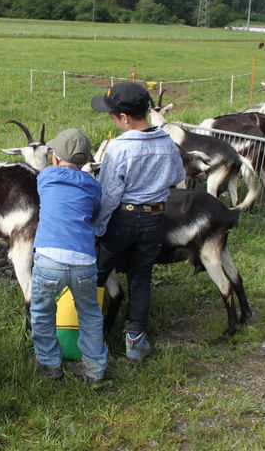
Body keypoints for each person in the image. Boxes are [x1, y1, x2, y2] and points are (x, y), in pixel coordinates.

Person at [90, 82, 185, 363]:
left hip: (123, 217)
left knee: (99, 271)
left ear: (124, 118)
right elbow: (176, 175)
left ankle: (91, 334)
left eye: (111, 116)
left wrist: (98, 228)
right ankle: (135, 341)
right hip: (155, 217)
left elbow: (109, 196)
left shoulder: (119, 149)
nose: (111, 120)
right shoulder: (167, 141)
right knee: (141, 276)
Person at [30, 128, 106, 384]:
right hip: (84, 261)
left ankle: (49, 364)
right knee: (90, 314)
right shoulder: (94, 187)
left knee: (42, 311)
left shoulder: (46, 177)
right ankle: (95, 370)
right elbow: (94, 213)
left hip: (49, 259)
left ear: (54, 157)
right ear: (86, 161)